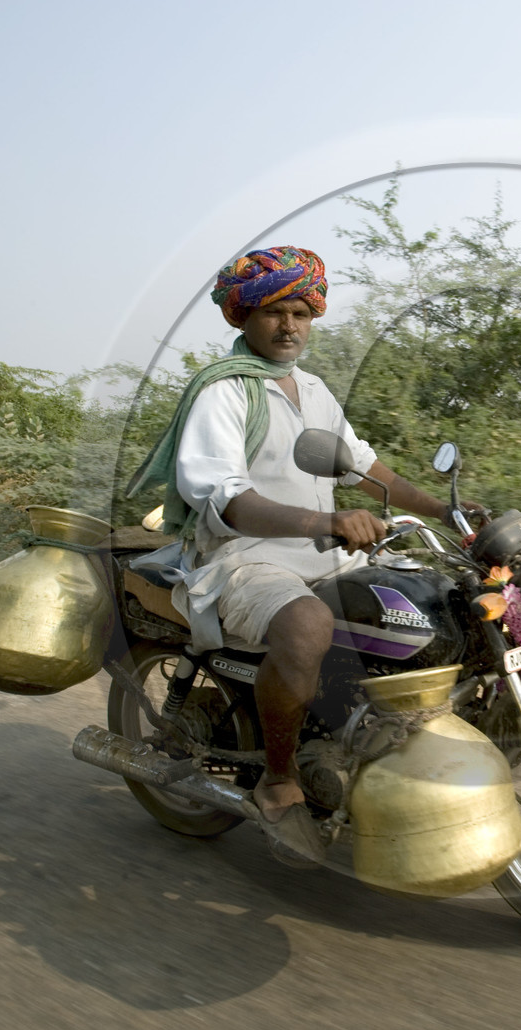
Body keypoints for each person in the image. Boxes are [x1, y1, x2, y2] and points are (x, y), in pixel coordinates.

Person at [127, 246, 472, 866]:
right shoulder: (223, 394)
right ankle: (279, 780)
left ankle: (359, 739)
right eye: (273, 313)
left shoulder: (312, 390)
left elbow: (366, 467)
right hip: (242, 559)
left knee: (425, 604)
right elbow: (227, 501)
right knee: (309, 626)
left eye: (301, 312)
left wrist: (450, 513)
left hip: (325, 555)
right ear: (242, 318)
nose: (289, 327)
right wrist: (327, 519)